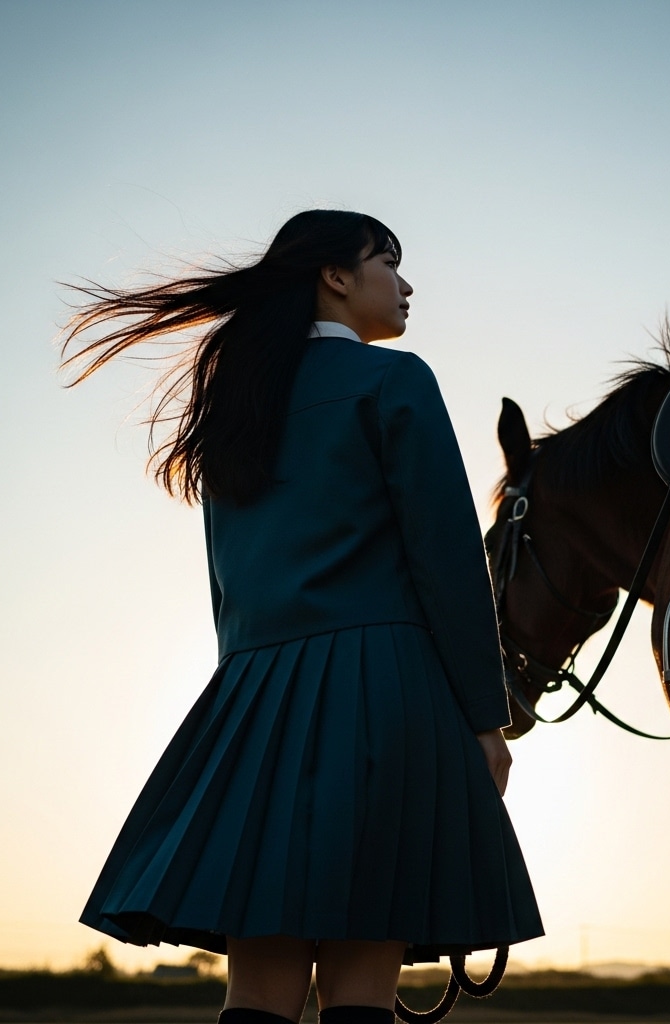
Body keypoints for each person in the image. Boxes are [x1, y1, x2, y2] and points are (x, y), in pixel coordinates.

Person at [63, 210, 543, 1024]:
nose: (407, 283)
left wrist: (251, 698)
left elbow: (229, 589)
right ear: (336, 276)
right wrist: (484, 721)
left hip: (256, 701)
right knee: (362, 988)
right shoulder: (396, 381)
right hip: (386, 697)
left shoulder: (234, 405)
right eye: (389, 261)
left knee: (256, 995)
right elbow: (450, 564)